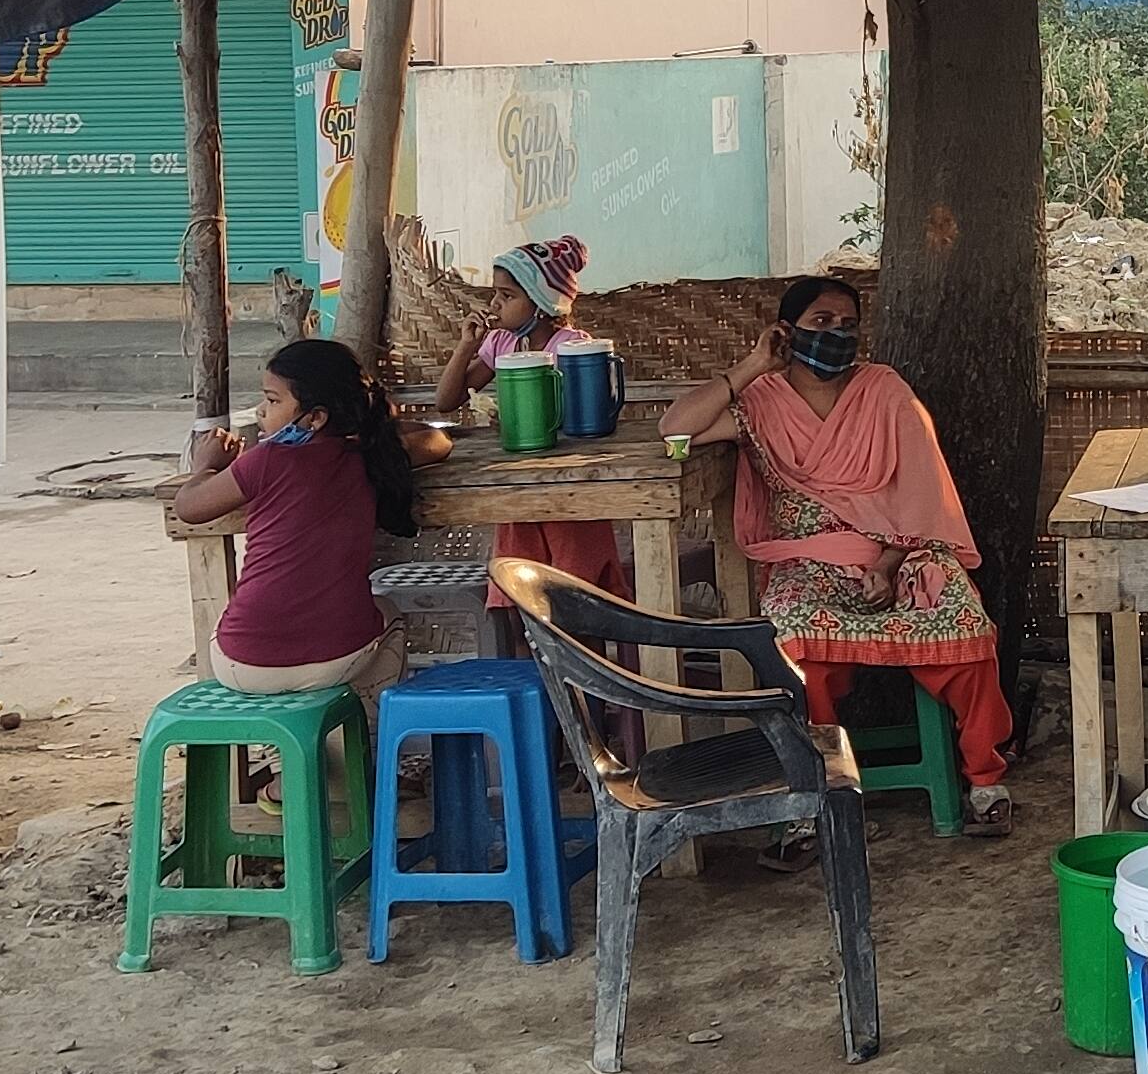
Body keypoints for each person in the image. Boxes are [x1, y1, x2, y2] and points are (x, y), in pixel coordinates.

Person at [660, 274, 1017, 838]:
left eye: (847, 325)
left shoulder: (884, 390)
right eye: (821, 323)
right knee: (794, 642)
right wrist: (754, 365)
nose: (836, 335)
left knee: (964, 624)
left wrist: (888, 563)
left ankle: (985, 778)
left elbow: (920, 491)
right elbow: (673, 431)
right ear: (786, 330)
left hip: (899, 550)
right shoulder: (760, 400)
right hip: (807, 559)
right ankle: (817, 796)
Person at [169, 335, 421, 700]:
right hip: (340, 659)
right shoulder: (366, 458)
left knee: (230, 621)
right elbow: (438, 444)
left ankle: (293, 738)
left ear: (315, 417)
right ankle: (366, 729)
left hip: (246, 666)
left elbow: (188, 507)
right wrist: (381, 435)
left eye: (272, 401)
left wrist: (205, 466)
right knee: (389, 614)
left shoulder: (264, 460)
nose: (261, 411)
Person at [436, 235, 629, 597]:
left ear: (542, 304)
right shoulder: (501, 344)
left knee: (575, 588)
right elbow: (447, 400)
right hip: (520, 488)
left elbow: (577, 419)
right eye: (495, 294)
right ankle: (524, 646)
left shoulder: (571, 348)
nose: (495, 304)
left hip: (570, 489)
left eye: (507, 296)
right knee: (517, 582)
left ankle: (581, 642)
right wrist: (467, 345)